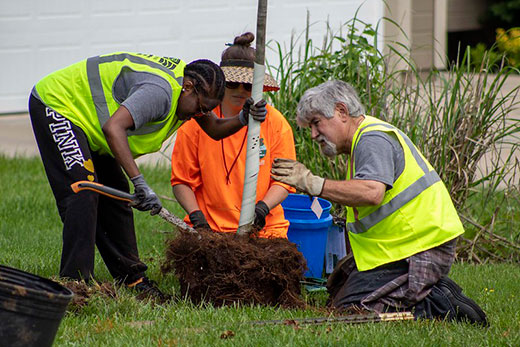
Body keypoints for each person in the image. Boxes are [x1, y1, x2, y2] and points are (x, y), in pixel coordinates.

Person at [29, 52, 267, 298]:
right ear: (188, 87)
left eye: (205, 110)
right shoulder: (160, 93)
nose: (199, 114)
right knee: (84, 192)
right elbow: (114, 128)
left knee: (117, 202)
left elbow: (215, 129)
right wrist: (140, 183)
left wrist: (242, 118)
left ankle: (133, 279)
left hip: (90, 125)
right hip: (58, 105)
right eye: (199, 107)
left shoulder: (191, 94)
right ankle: (75, 283)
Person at [271, 80, 488, 325]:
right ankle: (422, 288)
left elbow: (372, 192)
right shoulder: (362, 140)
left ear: (341, 112)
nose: (312, 135)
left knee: (356, 312)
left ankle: (438, 301)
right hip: (398, 246)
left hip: (419, 247)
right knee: (337, 291)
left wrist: (313, 183)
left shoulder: (372, 139)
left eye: (316, 123)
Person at [171, 33, 296, 238]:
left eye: (248, 85)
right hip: (210, 229)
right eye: (232, 84)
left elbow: (284, 180)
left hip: (264, 231)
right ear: (221, 84)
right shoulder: (196, 123)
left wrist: (263, 209)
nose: (240, 90)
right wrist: (197, 219)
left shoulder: (275, 123)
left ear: (258, 86)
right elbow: (181, 181)